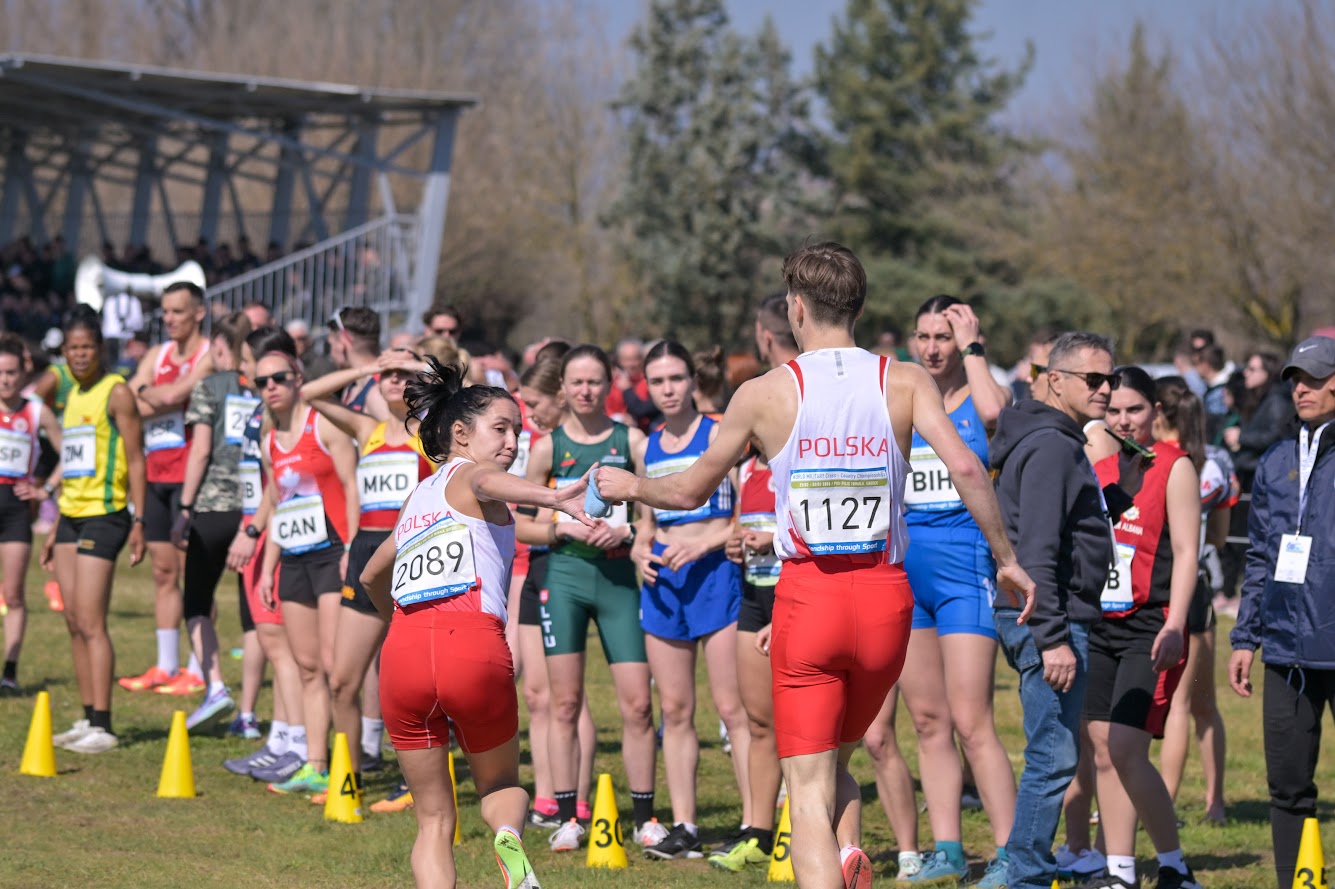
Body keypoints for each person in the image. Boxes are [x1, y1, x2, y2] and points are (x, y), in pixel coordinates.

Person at [596, 243, 1034, 889]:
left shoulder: (762, 393)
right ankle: (847, 854)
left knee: (804, 785)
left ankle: (829, 864)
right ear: (858, 307)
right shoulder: (906, 379)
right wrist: (1006, 558)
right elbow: (968, 467)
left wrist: (628, 486)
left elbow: (686, 491)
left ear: (796, 307)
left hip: (808, 597)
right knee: (839, 758)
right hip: (886, 600)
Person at [359, 357, 594, 889]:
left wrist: (395, 623)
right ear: (460, 435)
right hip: (471, 646)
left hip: (403, 654)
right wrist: (554, 496)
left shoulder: (418, 498)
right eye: (501, 428)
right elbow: (488, 480)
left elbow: (373, 573)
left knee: (434, 820)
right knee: (501, 786)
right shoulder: (474, 476)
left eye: (518, 429)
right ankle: (508, 838)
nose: (513, 441)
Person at [988, 332, 1142, 889]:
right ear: (1056, 381)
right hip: (1050, 619)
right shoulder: (1053, 445)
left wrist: (1119, 486)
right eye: (1093, 380)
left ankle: (1021, 869)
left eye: (1111, 379)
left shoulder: (1053, 438)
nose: (1105, 390)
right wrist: (1052, 636)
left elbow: (1071, 524)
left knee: (1053, 753)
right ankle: (1023, 874)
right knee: (1053, 756)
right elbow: (1038, 551)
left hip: (1048, 614)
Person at [518, 344, 660, 852]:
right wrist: (562, 529)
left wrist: (629, 536)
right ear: (563, 388)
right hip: (567, 578)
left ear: (609, 385)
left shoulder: (633, 440)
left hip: (619, 580)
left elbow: (653, 512)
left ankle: (646, 818)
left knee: (639, 705)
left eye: (595, 382)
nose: (585, 391)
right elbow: (522, 525)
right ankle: (565, 817)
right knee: (564, 703)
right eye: (576, 382)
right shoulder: (545, 449)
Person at [895, 296, 1016, 886]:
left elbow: (996, 411)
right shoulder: (907, 400)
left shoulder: (979, 393)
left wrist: (975, 349)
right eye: (923, 336)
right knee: (927, 720)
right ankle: (947, 848)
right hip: (909, 575)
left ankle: (1013, 854)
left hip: (966, 569)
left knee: (973, 721)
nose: (932, 348)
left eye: (943, 336)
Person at [1077, 365, 1202, 889]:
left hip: (1150, 627)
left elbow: (1188, 551)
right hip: (1099, 622)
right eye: (1115, 410)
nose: (1125, 421)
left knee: (1127, 748)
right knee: (1103, 750)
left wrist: (1175, 625)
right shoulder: (1099, 461)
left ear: (1155, 410)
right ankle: (1119, 871)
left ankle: (1174, 864)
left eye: (1135, 410)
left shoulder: (1175, 466)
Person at [301, 347, 437, 803]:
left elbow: (459, 392)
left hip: (413, 554)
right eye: (388, 374)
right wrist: (367, 369)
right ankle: (349, 779)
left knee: (411, 684)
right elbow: (309, 393)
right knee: (342, 680)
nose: (394, 380)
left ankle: (414, 783)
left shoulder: (433, 432)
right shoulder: (368, 429)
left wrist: (419, 368)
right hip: (365, 552)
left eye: (404, 373)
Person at [631, 340, 748, 860]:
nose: (668, 390)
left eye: (676, 378)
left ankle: (755, 825)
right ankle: (686, 827)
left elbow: (749, 512)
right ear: (647, 386)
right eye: (657, 382)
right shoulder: (646, 446)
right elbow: (645, 522)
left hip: (716, 574)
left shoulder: (721, 433)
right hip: (664, 583)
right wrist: (639, 549)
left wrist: (703, 542)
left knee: (733, 708)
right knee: (675, 709)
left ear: (691, 379)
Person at [1229, 336, 1335, 889]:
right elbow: (1262, 556)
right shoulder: (1275, 460)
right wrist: (1246, 638)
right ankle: (1294, 880)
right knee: (1287, 784)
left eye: (1313, 378)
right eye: (1295, 378)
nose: (1301, 389)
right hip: (1287, 646)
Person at [709, 292, 800, 874]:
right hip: (752, 596)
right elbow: (739, 528)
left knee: (801, 725)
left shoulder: (798, 461)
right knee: (756, 720)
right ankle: (755, 831)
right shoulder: (746, 470)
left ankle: (798, 828)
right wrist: (737, 539)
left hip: (796, 597)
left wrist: (776, 542)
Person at [254, 349, 360, 794]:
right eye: (262, 381)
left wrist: (352, 547)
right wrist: (266, 569)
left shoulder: (325, 427)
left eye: (279, 377)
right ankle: (316, 764)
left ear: (298, 379)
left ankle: (348, 768)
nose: (271, 386)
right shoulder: (269, 442)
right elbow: (279, 507)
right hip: (294, 557)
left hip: (332, 552)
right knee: (308, 667)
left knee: (337, 669)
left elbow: (353, 485)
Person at [44, 306, 147, 752]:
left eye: (86, 347)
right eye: (72, 348)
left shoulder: (116, 392)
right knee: (71, 619)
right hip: (69, 515)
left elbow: (137, 459)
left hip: (106, 515)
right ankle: (87, 718)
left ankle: (104, 725)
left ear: (100, 349)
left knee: (91, 619)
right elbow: (73, 464)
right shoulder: (71, 397)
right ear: (64, 352)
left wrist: (141, 519)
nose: (80, 355)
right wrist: (52, 529)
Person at [511, 354, 598, 829]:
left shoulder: (573, 445)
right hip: (532, 566)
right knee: (539, 695)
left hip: (569, 569)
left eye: (535, 403)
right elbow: (525, 513)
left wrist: (554, 523)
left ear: (560, 396)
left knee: (571, 696)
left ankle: (578, 797)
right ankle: (546, 795)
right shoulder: (538, 445)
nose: (530, 414)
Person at [120, 280, 214, 694]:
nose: (169, 319)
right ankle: (165, 665)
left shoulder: (209, 354)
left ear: (198, 313)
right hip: (155, 476)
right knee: (162, 572)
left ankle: (199, 668)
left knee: (192, 573)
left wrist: (153, 394)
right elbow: (131, 399)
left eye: (177, 311)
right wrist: (155, 395)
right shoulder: (156, 355)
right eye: (166, 312)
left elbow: (178, 392)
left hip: (192, 476)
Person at [172, 311, 254, 729]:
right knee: (253, 616)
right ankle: (251, 714)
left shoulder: (209, 386)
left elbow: (200, 450)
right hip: (255, 509)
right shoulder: (265, 387)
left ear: (220, 348)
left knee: (197, 604)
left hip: (213, 508)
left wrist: (184, 507)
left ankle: (216, 688)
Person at [1155, 377, 1231, 827]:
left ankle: (1160, 804)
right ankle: (1215, 802)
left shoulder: (1145, 458)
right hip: (1196, 585)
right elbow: (1219, 537)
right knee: (1201, 703)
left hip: (1150, 584)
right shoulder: (1215, 461)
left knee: (1172, 705)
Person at [0, 333, 63, 693]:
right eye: (0, 373)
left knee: (15, 594)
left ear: (23, 373)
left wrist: (45, 490)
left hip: (15, 508)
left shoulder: (36, 410)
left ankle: (9, 670)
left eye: (11, 372)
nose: (6, 380)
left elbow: (68, 452)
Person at [327, 306, 390, 420]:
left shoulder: (379, 389)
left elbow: (401, 436)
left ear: (342, 343)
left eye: (330, 345)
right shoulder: (353, 386)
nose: (330, 354)